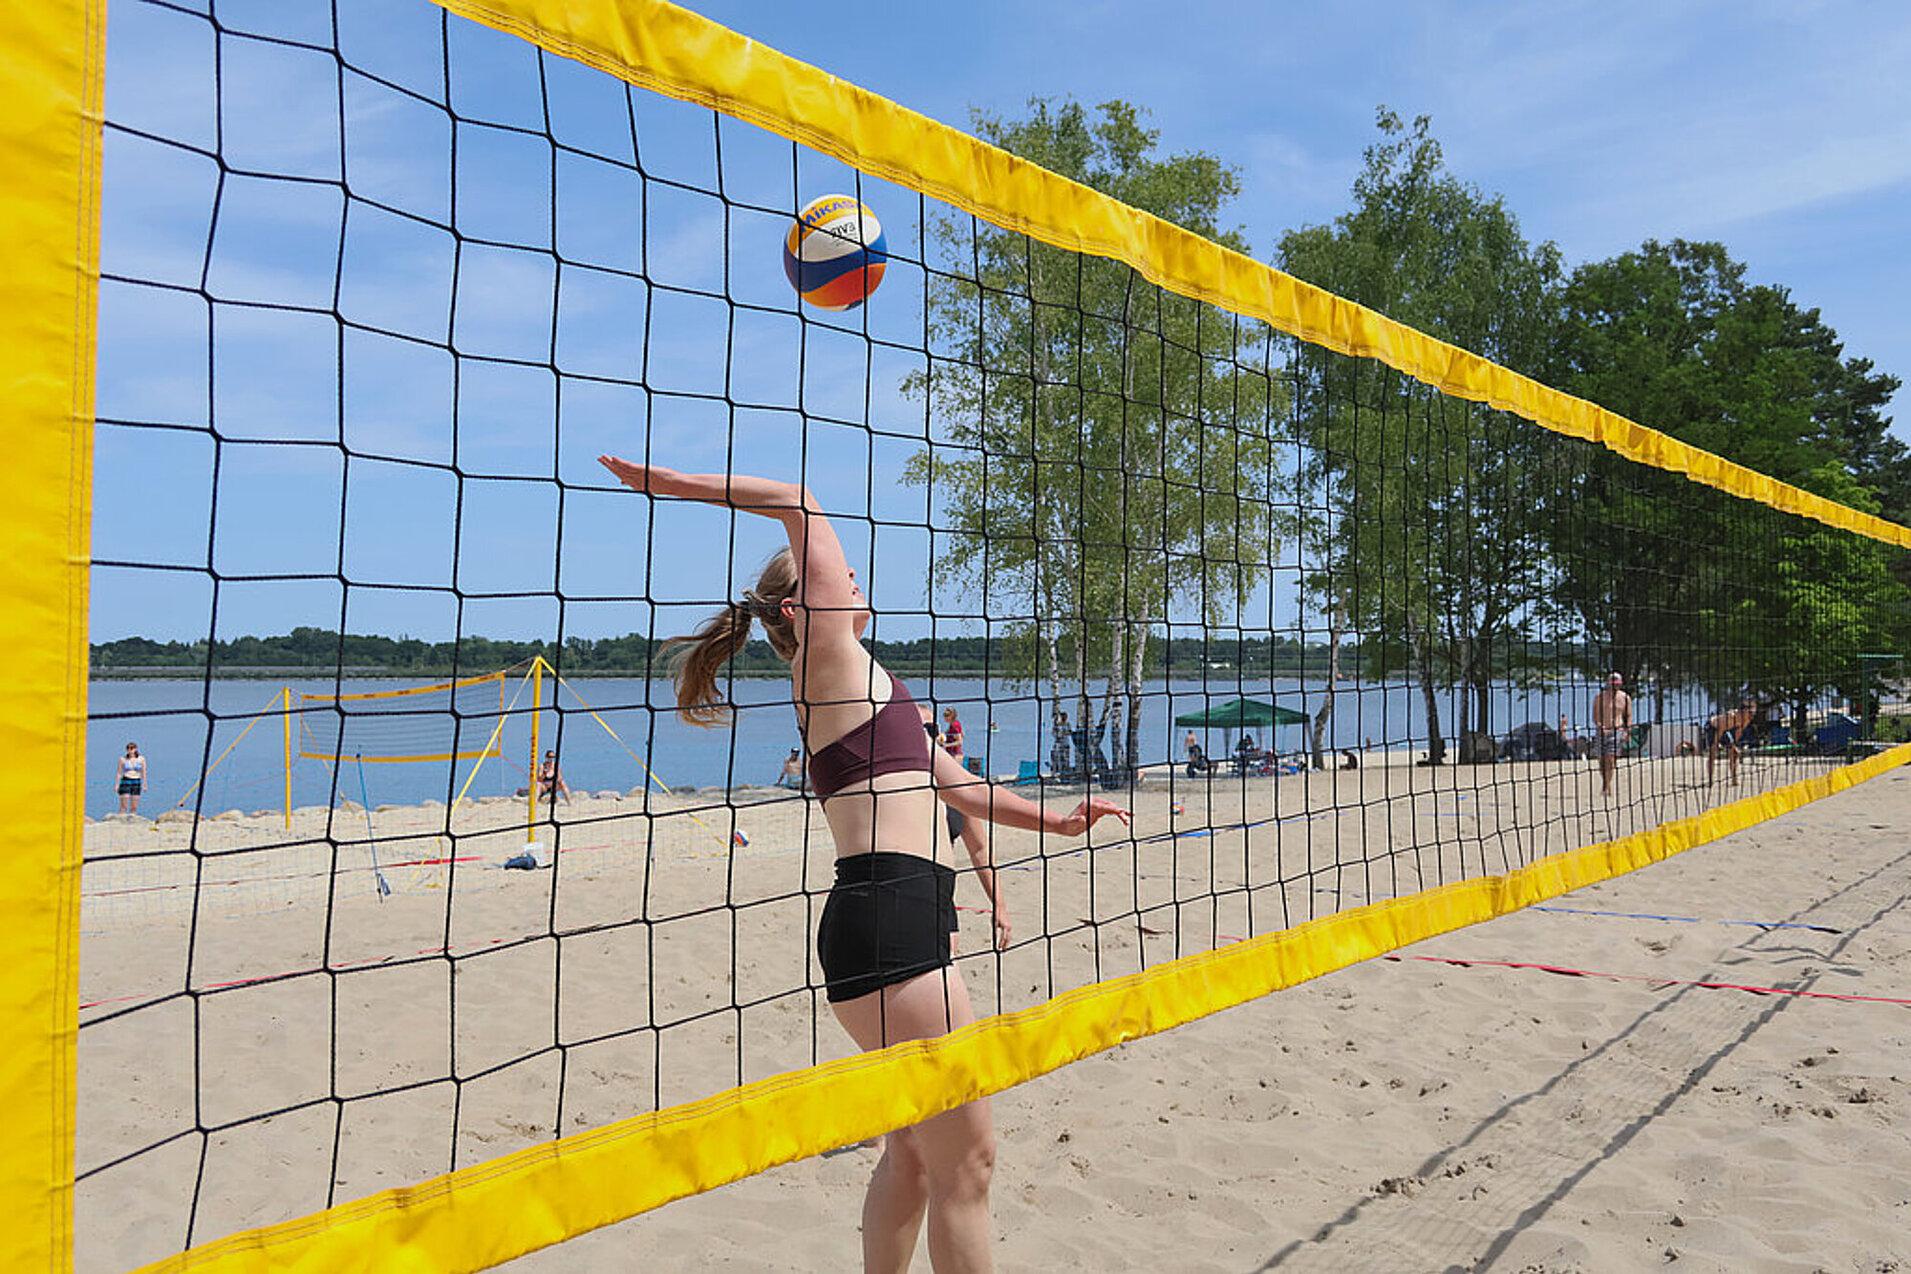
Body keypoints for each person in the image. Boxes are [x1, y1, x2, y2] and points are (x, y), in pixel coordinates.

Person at [602, 454, 1127, 1271]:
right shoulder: (830, 660)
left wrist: (1058, 823)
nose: (853, 574)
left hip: (892, 918)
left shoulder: (867, 681)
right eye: (841, 571)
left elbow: (959, 787)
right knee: (968, 1160)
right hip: (889, 918)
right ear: (799, 602)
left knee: (916, 1154)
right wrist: (672, 487)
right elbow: (798, 500)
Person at [923, 704, 1012, 952]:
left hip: (941, 898)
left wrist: (1000, 906)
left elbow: (980, 850)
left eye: (930, 729)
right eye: (915, 729)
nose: (923, 736)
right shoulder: (885, 788)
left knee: (947, 968)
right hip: (891, 899)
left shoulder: (955, 793)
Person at [1591, 672, 1633, 798]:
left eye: (1617, 684)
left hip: (1617, 730)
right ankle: (1606, 784)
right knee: (1601, 761)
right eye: (1612, 684)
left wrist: (1627, 730)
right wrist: (1600, 726)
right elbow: (1595, 716)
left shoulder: (1625, 698)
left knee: (1611, 759)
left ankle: (1606, 786)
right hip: (1602, 730)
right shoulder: (1600, 697)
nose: (1615, 686)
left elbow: (1629, 716)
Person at [1706, 699, 1756, 787]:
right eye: (1751, 711)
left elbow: (1738, 732)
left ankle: (1734, 779)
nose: (1753, 714)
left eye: (1753, 711)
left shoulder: (1747, 719)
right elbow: (1720, 730)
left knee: (1735, 753)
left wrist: (1734, 745)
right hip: (1713, 727)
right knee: (1713, 753)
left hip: (1725, 730)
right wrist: (1716, 743)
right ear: (1744, 711)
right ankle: (1710, 780)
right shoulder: (1731, 716)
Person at [116, 741, 146, 815]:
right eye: (128, 749)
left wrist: (144, 784)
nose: (130, 750)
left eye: (132, 748)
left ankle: (132, 820)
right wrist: (117, 785)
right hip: (126, 780)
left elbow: (143, 772)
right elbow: (119, 773)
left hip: (136, 781)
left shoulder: (141, 759)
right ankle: (120, 820)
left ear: (135, 749)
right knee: (124, 805)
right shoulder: (122, 759)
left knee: (134, 806)